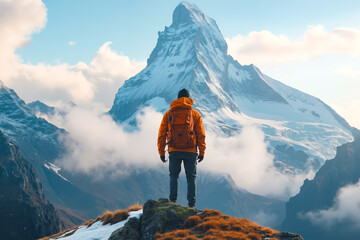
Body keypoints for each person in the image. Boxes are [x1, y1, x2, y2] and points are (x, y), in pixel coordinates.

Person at [157, 89, 206, 208]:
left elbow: (162, 134)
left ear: (177, 99)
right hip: (191, 151)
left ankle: (172, 201)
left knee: (173, 175)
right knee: (191, 177)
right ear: (189, 99)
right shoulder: (195, 114)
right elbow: (201, 134)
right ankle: (191, 205)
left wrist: (161, 152)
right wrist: (202, 151)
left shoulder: (169, 114)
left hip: (174, 150)